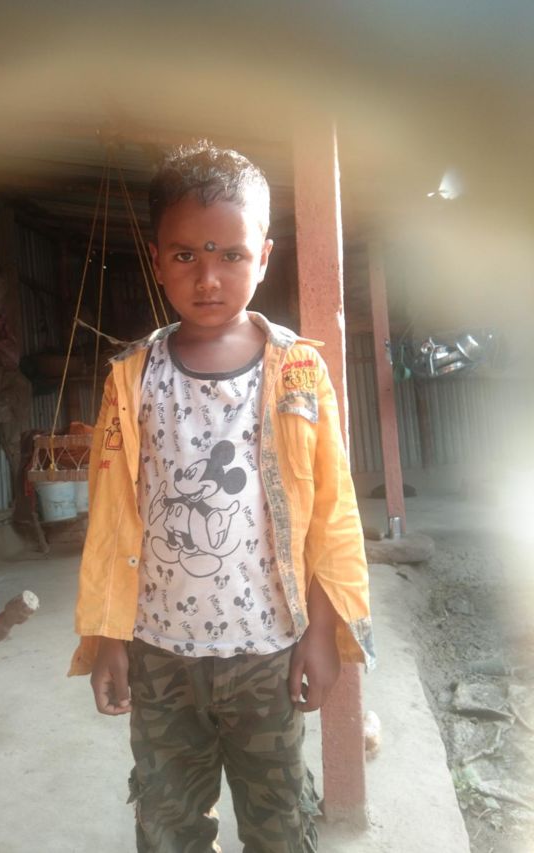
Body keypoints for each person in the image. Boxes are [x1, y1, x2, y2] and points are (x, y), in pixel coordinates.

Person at [69, 140, 374, 852]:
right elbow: (110, 519)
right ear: (156, 260)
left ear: (263, 257)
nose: (208, 277)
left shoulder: (298, 372)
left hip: (268, 652)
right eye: (185, 255)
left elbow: (333, 512)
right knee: (167, 822)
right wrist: (108, 638)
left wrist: (323, 633)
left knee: (277, 821)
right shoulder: (132, 379)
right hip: (159, 654)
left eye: (231, 255)